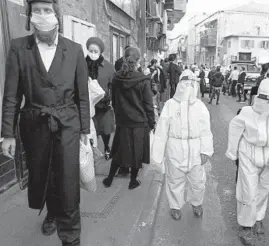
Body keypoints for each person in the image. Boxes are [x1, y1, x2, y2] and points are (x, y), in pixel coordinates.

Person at [1, 0, 90, 245]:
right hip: (35, 123)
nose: (42, 15)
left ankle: (71, 236)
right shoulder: (19, 48)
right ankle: (51, 212)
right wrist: (7, 134)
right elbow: (11, 95)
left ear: (57, 15)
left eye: (47, 10)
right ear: (29, 15)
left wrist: (85, 130)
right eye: (37, 11)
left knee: (68, 180)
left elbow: (82, 94)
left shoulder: (74, 50)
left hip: (67, 124)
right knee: (44, 174)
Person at [226, 78, 269, 245]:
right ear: (262, 99)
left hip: (268, 159)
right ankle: (246, 225)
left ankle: (258, 217)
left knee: (263, 190)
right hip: (248, 155)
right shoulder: (246, 112)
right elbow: (235, 130)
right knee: (248, 190)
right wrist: (233, 151)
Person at [152, 69, 214, 221]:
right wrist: (158, 155)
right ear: (179, 85)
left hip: (196, 149)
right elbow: (161, 132)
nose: (189, 88)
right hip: (175, 148)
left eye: (192, 84)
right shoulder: (170, 105)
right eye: (185, 84)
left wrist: (206, 150)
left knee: (198, 182)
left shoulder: (200, 106)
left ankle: (197, 203)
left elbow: (206, 130)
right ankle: (175, 206)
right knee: (174, 180)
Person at [102, 47, 155, 189]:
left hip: (123, 121)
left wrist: (119, 117)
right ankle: (133, 181)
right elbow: (148, 104)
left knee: (119, 150)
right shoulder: (143, 80)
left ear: (124, 58)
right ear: (138, 61)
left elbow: (114, 101)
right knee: (137, 152)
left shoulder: (116, 78)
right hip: (139, 122)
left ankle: (109, 178)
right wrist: (152, 122)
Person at [86, 37, 116, 160]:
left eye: (95, 51)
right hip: (87, 104)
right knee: (90, 130)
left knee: (105, 129)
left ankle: (107, 147)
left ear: (100, 51)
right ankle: (91, 151)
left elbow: (113, 85)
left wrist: (110, 98)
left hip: (103, 104)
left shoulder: (108, 67)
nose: (93, 53)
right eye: (90, 50)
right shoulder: (81, 64)